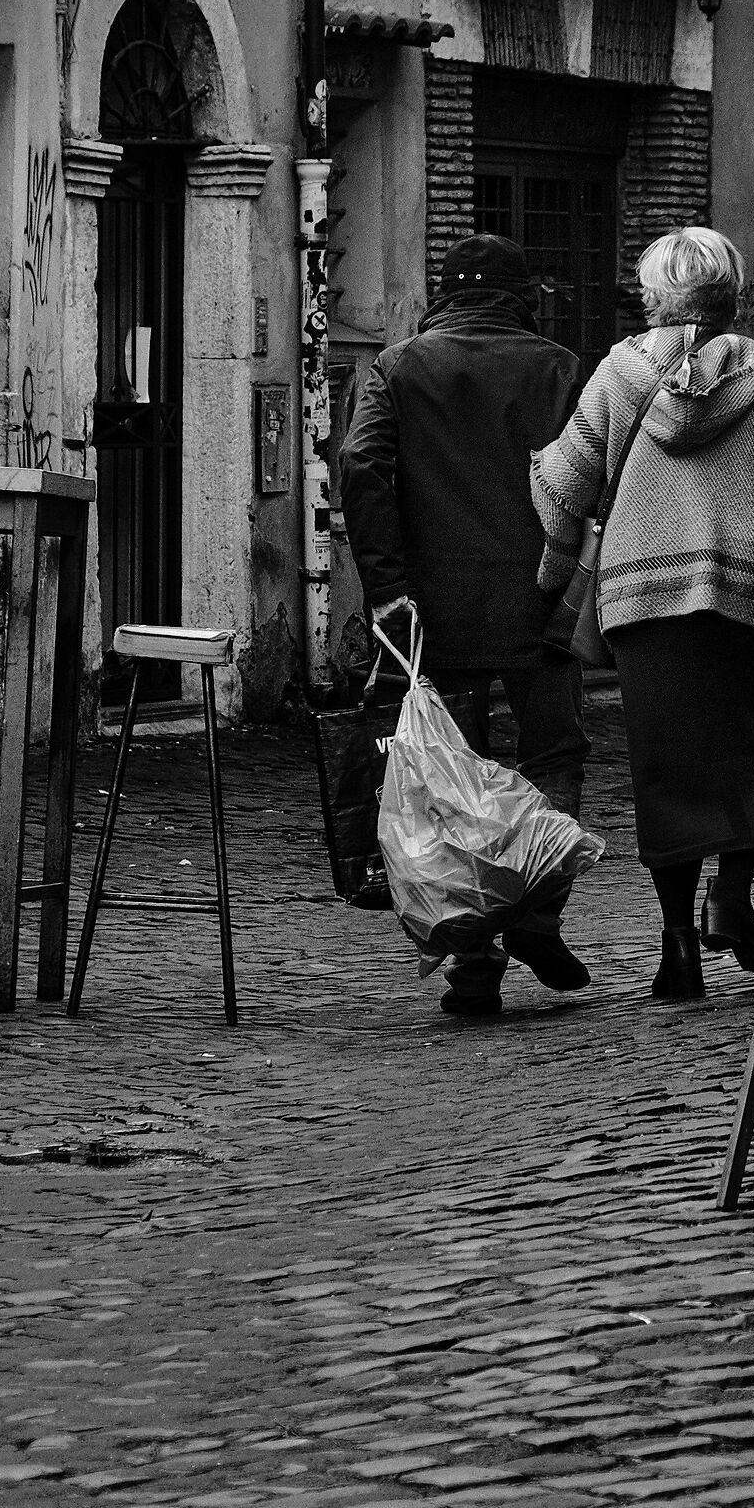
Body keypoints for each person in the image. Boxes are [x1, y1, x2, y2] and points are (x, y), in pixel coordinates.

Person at [533, 227, 754, 1000]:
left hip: (647, 610)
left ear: (655, 297)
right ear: (733, 296)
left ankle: (678, 950)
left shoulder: (619, 377)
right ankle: (732, 898)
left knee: (668, 773)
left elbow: (563, 486)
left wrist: (554, 574)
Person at [337, 233, 592, 1017]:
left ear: (444, 293)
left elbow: (359, 463)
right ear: (522, 296)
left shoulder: (398, 366)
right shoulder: (558, 368)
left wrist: (386, 585)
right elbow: (596, 477)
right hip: (540, 605)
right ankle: (539, 911)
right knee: (553, 755)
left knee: (450, 773)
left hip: (433, 610)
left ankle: (472, 957)